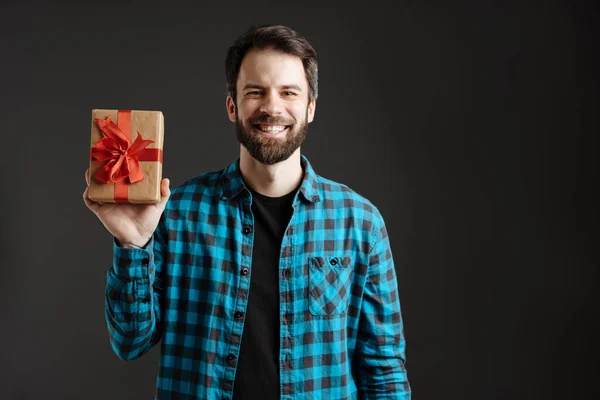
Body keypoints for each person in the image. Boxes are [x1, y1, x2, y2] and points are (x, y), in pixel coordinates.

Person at [83, 24, 411, 400]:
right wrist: (133, 244)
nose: (272, 107)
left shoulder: (360, 223)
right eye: (256, 92)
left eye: (288, 92)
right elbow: (129, 342)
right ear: (232, 105)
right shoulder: (175, 213)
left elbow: (383, 370)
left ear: (310, 108)